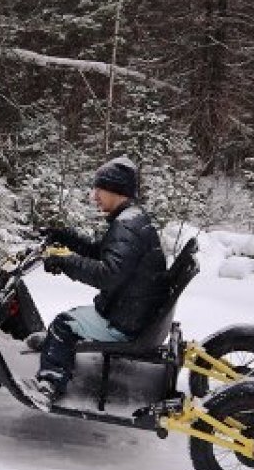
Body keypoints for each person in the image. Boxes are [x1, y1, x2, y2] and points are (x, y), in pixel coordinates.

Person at [24, 156, 170, 411]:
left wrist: (66, 260)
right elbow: (103, 254)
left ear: (116, 190)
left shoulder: (126, 228)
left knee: (63, 324)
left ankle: (48, 386)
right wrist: (65, 238)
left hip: (125, 323)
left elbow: (107, 274)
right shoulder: (132, 220)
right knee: (69, 319)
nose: (95, 196)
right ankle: (53, 347)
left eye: (99, 189)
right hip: (134, 311)